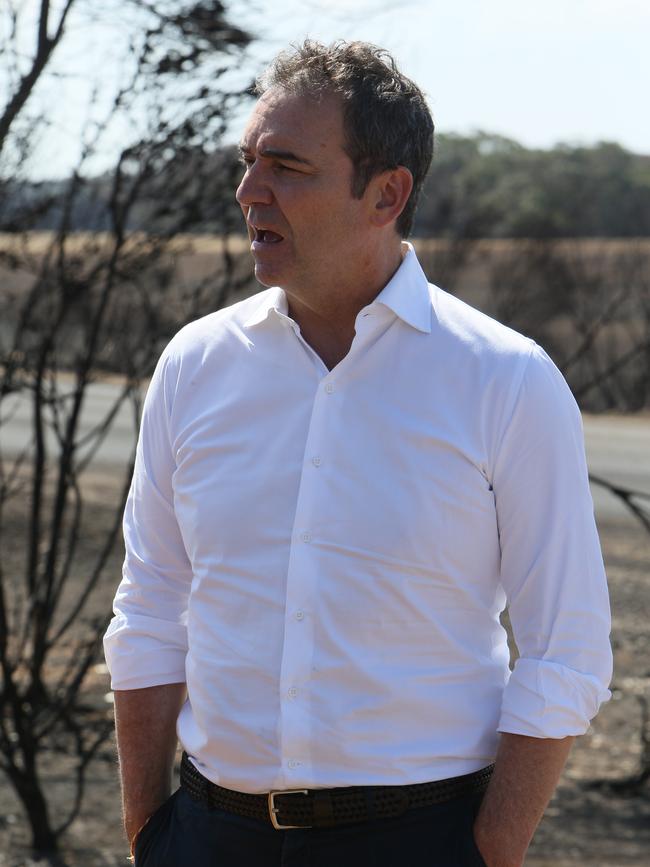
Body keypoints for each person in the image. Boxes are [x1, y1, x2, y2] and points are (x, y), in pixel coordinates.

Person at [103, 39, 612, 867]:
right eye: (247, 161)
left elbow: (567, 650)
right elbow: (152, 608)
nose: (247, 192)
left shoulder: (505, 379)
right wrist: (149, 837)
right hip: (205, 836)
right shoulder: (195, 364)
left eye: (286, 165)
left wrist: (488, 852)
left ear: (387, 193)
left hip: (420, 839)